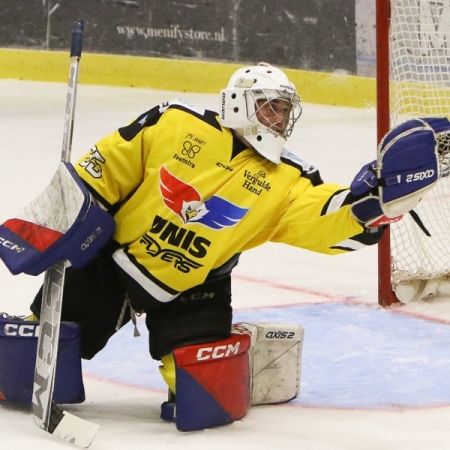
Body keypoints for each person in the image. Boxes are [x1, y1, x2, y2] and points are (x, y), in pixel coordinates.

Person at [0, 62, 443, 431]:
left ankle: (238, 353)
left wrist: (375, 207)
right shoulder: (174, 122)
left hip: (195, 285)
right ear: (239, 103)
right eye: (270, 108)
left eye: (284, 110)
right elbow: (104, 170)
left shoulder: (289, 176)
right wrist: (58, 224)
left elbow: (324, 219)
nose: (279, 119)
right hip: (111, 264)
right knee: (31, 366)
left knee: (207, 404)